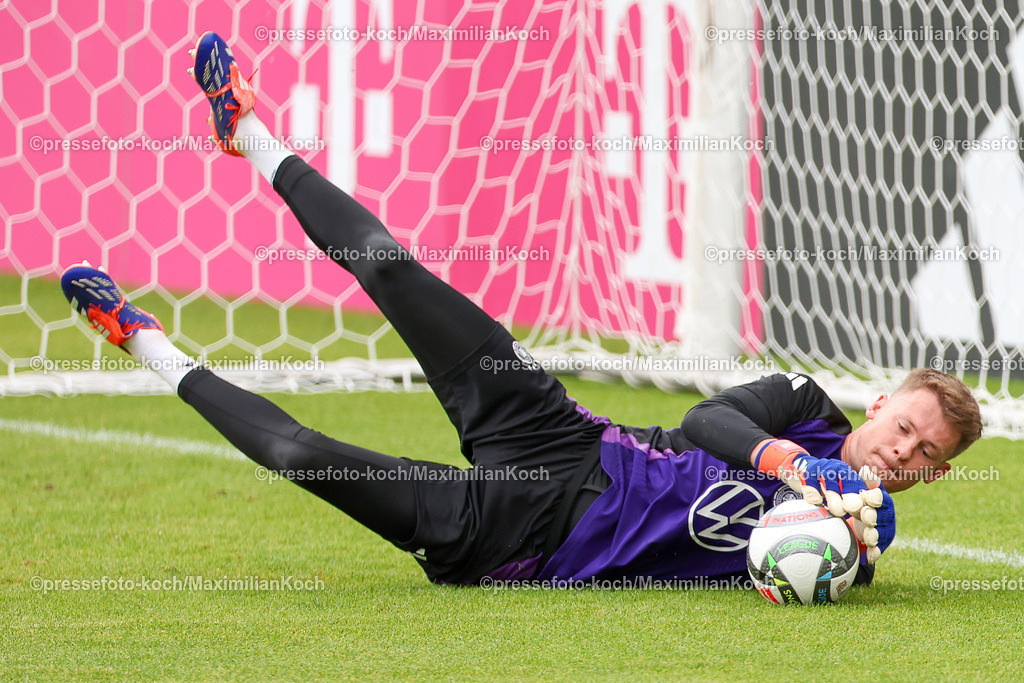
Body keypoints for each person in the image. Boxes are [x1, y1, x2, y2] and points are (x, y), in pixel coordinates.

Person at [60, 32, 983, 588]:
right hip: (565, 437)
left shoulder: (870, 518)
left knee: (304, 455)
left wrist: (845, 514)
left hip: (527, 539)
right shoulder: (800, 401)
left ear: (930, 476)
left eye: (923, 454)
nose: (903, 452)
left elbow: (845, 549)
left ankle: (142, 342)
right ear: (880, 405)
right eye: (906, 427)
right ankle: (251, 135)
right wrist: (794, 464)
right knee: (391, 270)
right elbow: (707, 418)